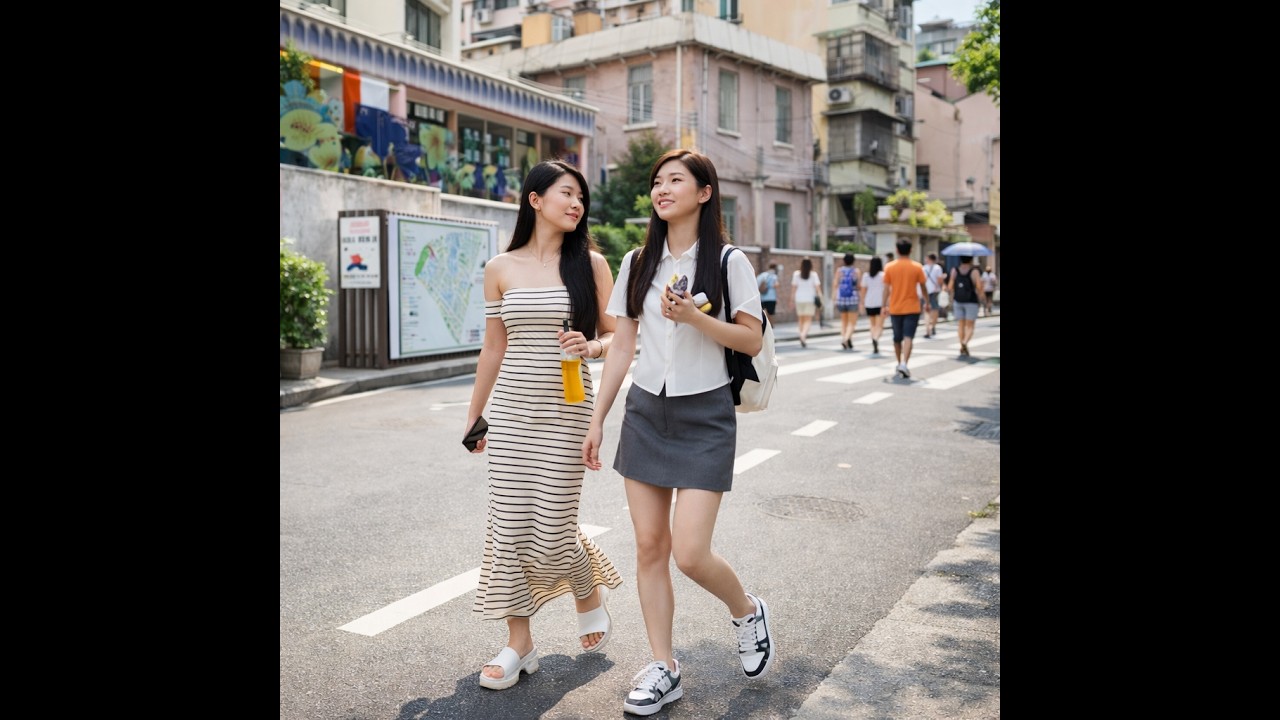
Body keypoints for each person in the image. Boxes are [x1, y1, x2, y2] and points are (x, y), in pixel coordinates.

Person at [581, 149, 774, 716]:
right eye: (657, 182)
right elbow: (622, 344)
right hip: (646, 411)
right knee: (648, 547)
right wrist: (598, 418)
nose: (662, 190)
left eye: (675, 181)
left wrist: (694, 318)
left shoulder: (730, 260)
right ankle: (664, 667)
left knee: (690, 553)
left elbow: (750, 340)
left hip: (706, 413)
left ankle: (745, 611)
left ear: (704, 192)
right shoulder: (639, 259)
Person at [464, 160, 624, 691]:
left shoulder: (592, 265)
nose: (576, 204)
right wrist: (475, 414)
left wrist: (592, 346)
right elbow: (494, 346)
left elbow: (618, 336)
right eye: (566, 194)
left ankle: (587, 589)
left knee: (553, 525)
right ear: (535, 199)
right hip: (512, 410)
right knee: (508, 526)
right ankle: (519, 643)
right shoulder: (500, 267)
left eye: (581, 197)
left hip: (568, 408)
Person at [881, 239, 929, 379]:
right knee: (908, 336)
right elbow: (923, 286)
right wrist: (927, 302)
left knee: (897, 338)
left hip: (895, 307)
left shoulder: (890, 267)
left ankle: (899, 363)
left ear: (897, 250)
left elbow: (886, 289)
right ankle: (904, 363)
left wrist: (884, 305)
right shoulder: (917, 266)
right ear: (911, 250)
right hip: (912, 307)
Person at [947, 255, 985, 357]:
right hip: (971, 301)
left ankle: (962, 345)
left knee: (961, 325)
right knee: (970, 325)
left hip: (958, 300)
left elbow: (950, 286)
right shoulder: (975, 271)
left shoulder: (954, 270)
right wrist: (982, 296)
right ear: (971, 259)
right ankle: (964, 343)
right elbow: (979, 286)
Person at [833, 253, 861, 350]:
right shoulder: (856, 271)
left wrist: (834, 298)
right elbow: (858, 286)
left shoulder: (839, 271)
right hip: (852, 299)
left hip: (841, 299)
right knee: (852, 323)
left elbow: (835, 284)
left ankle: (848, 339)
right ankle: (845, 339)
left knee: (844, 322)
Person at [792, 257, 821, 348]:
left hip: (799, 299)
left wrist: (791, 299)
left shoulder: (796, 274)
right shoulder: (814, 275)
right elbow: (818, 288)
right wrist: (820, 297)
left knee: (801, 319)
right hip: (809, 299)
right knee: (808, 320)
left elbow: (793, 289)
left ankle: (801, 334)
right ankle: (803, 336)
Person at [860, 256, 886, 355]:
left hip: (869, 302)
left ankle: (873, 337)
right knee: (879, 325)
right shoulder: (883, 275)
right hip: (880, 302)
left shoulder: (866, 276)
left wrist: (862, 302)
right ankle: (875, 338)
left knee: (872, 324)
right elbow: (887, 290)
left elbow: (863, 290)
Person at [922, 253, 945, 339]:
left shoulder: (923, 268)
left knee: (926, 310)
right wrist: (941, 286)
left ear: (929, 258)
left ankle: (927, 329)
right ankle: (933, 326)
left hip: (925, 291)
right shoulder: (937, 268)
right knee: (935, 309)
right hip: (935, 291)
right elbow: (940, 280)